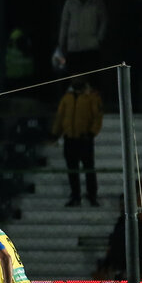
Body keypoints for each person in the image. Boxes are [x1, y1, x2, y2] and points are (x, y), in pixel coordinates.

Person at [52, 76, 103, 206]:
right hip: (70, 138)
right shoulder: (67, 98)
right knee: (72, 169)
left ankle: (92, 195)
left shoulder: (91, 97)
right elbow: (60, 117)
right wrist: (55, 133)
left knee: (89, 169)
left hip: (84, 138)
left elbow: (97, 117)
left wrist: (91, 133)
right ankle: (75, 196)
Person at [56, 0, 107, 75]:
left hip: (91, 47)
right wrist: (62, 43)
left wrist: (99, 38)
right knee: (75, 78)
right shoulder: (69, 3)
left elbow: (104, 21)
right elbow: (64, 24)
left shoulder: (97, 3)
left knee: (92, 78)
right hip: (73, 48)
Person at [95, 195, 142, 279]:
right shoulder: (119, 224)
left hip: (130, 272)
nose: (122, 207)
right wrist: (108, 264)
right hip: (117, 270)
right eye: (121, 204)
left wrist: (136, 271)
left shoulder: (139, 226)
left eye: (124, 204)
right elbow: (113, 247)